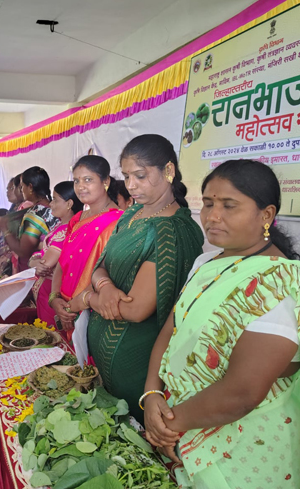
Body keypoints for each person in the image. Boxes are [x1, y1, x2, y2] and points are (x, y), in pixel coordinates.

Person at [142, 159, 300, 489]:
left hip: (247, 447)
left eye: (229, 205)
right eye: (208, 203)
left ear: (266, 215)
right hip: (182, 421)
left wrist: (166, 425)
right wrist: (152, 393)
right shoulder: (206, 262)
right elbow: (172, 329)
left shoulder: (279, 284)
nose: (212, 216)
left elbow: (242, 393)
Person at [77, 135, 203, 423]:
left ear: (168, 171)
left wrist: (88, 298)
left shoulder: (173, 230)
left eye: (140, 176)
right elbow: (100, 265)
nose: (131, 185)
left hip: (137, 365)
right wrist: (106, 287)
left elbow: (135, 310)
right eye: (126, 176)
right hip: (102, 355)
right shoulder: (132, 214)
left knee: (133, 435)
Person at [49, 156, 122, 332]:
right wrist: (54, 298)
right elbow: (62, 263)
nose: (80, 186)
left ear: (105, 181)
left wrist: (76, 304)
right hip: (65, 305)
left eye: (88, 180)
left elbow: (111, 272)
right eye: (76, 181)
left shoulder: (119, 221)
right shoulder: (77, 219)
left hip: (93, 310)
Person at [29, 181, 83, 325]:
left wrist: (34, 261)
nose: (51, 204)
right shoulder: (61, 225)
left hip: (52, 291)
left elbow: (45, 263)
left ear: (69, 204)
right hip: (48, 290)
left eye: (55, 199)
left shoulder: (66, 230)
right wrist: (34, 260)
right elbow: (41, 256)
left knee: (53, 332)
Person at [0, 167, 60, 274]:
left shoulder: (36, 214)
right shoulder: (54, 208)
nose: (21, 190)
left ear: (30, 187)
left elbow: (23, 251)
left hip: (37, 270)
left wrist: (5, 229)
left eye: (22, 186)